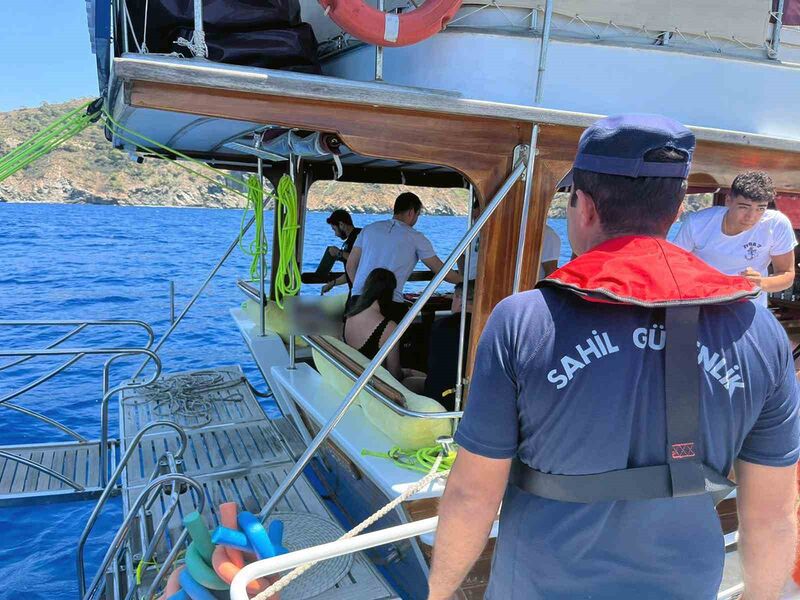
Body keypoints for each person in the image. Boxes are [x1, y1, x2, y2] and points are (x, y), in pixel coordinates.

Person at [428, 115, 799, 600]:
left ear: (582, 207)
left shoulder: (522, 322)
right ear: (675, 212)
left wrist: (438, 594)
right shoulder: (760, 332)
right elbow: (772, 516)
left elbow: (472, 495)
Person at [674, 171, 797, 305]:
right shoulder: (697, 223)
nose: (751, 216)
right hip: (703, 303)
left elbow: (787, 275)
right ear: (728, 200)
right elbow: (674, 267)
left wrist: (761, 282)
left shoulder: (777, 224)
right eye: (744, 207)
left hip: (750, 308)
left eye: (760, 209)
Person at [346, 192, 462, 322]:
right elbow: (442, 272)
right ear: (412, 212)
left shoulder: (368, 229)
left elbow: (350, 266)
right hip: (389, 302)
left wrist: (360, 290)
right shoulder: (416, 237)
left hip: (357, 300)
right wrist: (465, 281)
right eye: (418, 215)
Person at [403, 281, 473, 408]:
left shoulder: (440, 326)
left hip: (440, 394)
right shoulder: (484, 327)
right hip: (468, 390)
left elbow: (433, 365)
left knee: (408, 382)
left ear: (458, 298)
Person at [342, 268, 403, 379]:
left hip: (353, 375)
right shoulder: (389, 327)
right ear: (389, 292)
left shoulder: (349, 316)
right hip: (376, 385)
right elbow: (394, 374)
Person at [317, 209, 361, 293]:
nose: (335, 234)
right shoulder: (350, 240)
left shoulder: (359, 237)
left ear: (341, 224)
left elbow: (360, 260)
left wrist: (338, 253)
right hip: (355, 291)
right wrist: (332, 284)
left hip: (361, 293)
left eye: (334, 229)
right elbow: (351, 272)